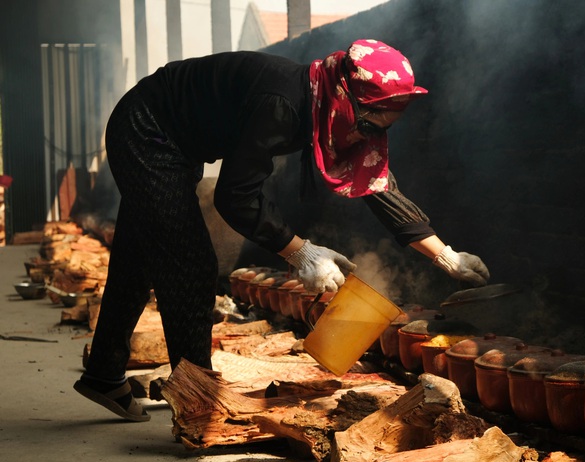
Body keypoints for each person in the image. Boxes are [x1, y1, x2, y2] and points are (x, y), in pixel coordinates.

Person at [74, 39, 491, 422]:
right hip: (148, 130)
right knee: (190, 265)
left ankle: (104, 375)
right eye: (369, 127)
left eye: (383, 130)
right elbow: (235, 196)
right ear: (346, 99)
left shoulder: (324, 96)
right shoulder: (282, 104)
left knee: (139, 257)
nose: (372, 137)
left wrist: (444, 254)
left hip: (171, 138)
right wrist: (299, 252)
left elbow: (376, 181)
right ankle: (198, 404)